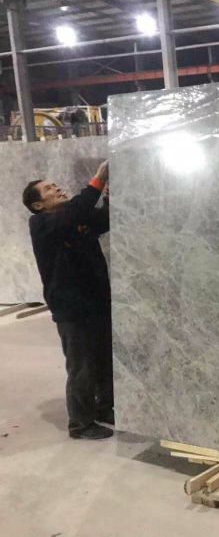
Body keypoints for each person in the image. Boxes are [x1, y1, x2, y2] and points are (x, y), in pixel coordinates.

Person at [22, 160, 114, 440]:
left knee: (103, 359)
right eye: (49, 189)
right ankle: (80, 424)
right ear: (38, 205)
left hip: (95, 301)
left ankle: (104, 408)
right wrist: (97, 180)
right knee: (81, 367)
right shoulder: (42, 224)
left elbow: (102, 220)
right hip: (72, 309)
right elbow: (76, 212)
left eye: (55, 185)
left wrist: (109, 197)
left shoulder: (73, 218)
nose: (57, 188)